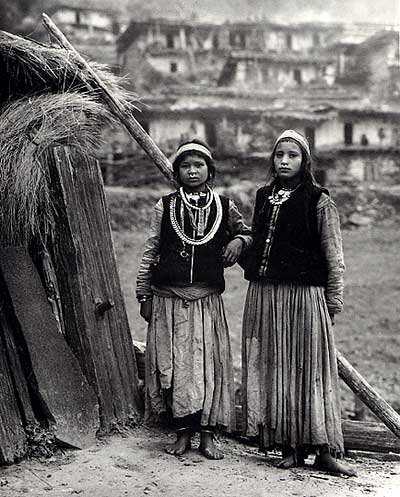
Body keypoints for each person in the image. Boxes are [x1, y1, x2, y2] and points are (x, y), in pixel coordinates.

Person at [241, 129, 357, 476]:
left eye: (292, 155)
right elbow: (257, 237)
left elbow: (333, 254)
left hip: (305, 297)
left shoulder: (318, 199)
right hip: (267, 295)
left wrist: (332, 302)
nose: (284, 161)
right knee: (277, 368)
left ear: (305, 161)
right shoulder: (264, 197)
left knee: (310, 370)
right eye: (279, 155)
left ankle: (322, 449)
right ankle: (289, 446)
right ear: (272, 160)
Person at [136, 138, 251, 459]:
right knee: (174, 367)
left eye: (199, 165)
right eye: (185, 165)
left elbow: (250, 233)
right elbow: (151, 249)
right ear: (176, 172)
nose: (192, 170)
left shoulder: (225, 206)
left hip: (206, 301)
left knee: (207, 367)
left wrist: (240, 241)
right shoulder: (166, 206)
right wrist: (143, 293)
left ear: (210, 171)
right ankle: (182, 433)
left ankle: (208, 435)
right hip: (168, 300)